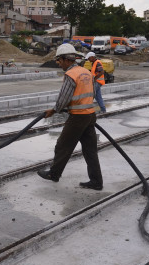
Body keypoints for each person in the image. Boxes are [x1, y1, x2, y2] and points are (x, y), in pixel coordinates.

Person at [37, 44, 102, 190]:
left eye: (59, 60)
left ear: (67, 60)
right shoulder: (86, 72)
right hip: (90, 115)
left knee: (62, 146)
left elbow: (64, 97)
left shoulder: (71, 75)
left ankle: (53, 174)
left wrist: (54, 110)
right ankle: (97, 181)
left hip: (78, 118)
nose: (58, 63)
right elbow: (90, 94)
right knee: (90, 150)